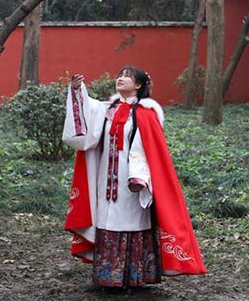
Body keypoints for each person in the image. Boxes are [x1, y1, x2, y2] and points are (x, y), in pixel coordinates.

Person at [63, 66, 205, 289]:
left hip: (131, 180)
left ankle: (131, 279)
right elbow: (87, 121)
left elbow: (144, 148)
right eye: (119, 75)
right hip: (106, 179)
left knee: (129, 222)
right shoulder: (107, 109)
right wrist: (77, 90)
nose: (120, 79)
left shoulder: (147, 114)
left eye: (127, 76)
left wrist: (139, 176)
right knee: (107, 220)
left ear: (138, 85)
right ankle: (106, 278)